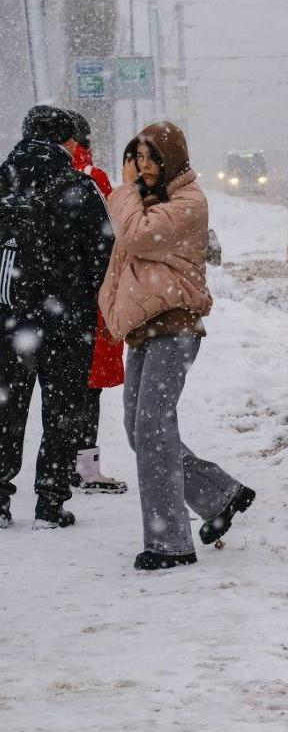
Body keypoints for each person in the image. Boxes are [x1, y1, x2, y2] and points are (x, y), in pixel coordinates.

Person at [99, 121, 255, 570]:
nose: (144, 166)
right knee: (139, 428)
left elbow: (133, 236)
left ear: (171, 159)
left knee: (152, 426)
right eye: (138, 157)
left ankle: (170, 544)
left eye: (151, 158)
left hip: (175, 328)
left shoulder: (188, 203)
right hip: (145, 328)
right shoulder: (149, 203)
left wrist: (125, 190)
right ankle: (218, 494)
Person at [0, 105, 114, 530]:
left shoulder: (1, 179)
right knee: (62, 409)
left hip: (7, 319)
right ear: (65, 141)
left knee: (6, 409)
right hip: (65, 322)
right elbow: (105, 254)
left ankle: (0, 499)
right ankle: (50, 503)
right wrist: (78, 294)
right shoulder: (78, 187)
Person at [64, 110, 127, 494]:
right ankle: (85, 466)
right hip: (92, 300)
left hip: (62, 300)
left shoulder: (39, 179)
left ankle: (63, 464)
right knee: (86, 388)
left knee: (66, 388)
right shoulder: (93, 179)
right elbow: (111, 242)